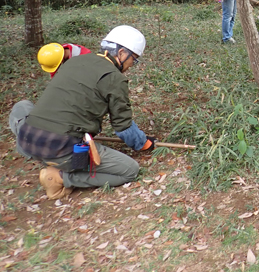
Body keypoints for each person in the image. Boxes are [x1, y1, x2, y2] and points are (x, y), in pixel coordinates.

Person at [10, 25, 155, 200]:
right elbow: (123, 128)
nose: (132, 65)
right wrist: (143, 143)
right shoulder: (115, 78)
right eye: (134, 59)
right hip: (61, 149)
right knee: (129, 170)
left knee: (23, 105)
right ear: (122, 53)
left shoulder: (74, 61)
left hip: (28, 141)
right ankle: (60, 177)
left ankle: (41, 152)